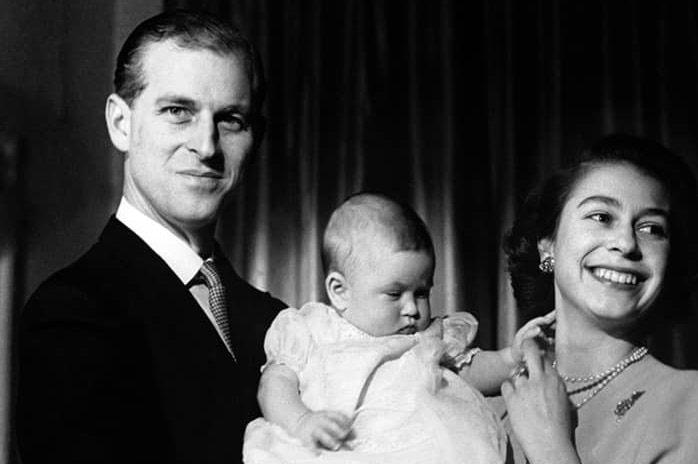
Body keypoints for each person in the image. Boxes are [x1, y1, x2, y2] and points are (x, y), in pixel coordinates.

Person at [16, 10, 286, 464]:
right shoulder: (71, 312)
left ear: (255, 139)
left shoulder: (273, 319)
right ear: (122, 124)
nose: (206, 146)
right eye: (178, 112)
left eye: (231, 119)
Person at [243, 193, 554, 464]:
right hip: (337, 450)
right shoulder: (310, 329)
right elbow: (273, 385)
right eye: (394, 294)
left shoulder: (428, 336)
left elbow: (469, 371)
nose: (412, 309)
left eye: (422, 292)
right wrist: (302, 421)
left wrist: (510, 358)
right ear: (340, 291)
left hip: (423, 449)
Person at [498, 134, 698, 463]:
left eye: (651, 229)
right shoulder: (492, 402)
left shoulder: (688, 406)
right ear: (547, 245)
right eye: (602, 217)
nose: (626, 243)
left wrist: (551, 449)